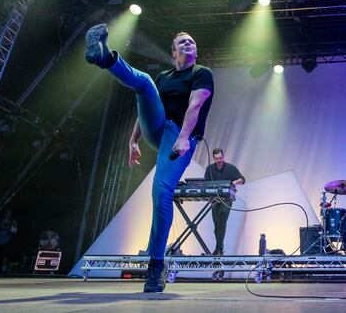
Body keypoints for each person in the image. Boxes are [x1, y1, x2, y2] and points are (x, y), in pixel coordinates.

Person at [85, 25, 214, 292]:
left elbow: (196, 106)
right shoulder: (164, 76)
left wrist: (183, 137)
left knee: (161, 191)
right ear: (173, 52)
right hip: (157, 129)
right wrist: (134, 139)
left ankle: (156, 265)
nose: (188, 44)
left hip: (180, 136)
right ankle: (104, 56)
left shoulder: (202, 74)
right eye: (182, 42)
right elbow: (146, 108)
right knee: (144, 83)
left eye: (192, 41)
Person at [203, 148, 245, 256]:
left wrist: (234, 183)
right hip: (214, 199)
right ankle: (220, 249)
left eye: (220, 158)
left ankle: (218, 249)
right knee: (216, 223)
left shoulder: (231, 168)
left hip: (227, 199)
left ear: (223, 157)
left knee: (222, 219)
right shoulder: (210, 169)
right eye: (216, 158)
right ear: (214, 158)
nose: (219, 160)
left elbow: (242, 179)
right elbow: (205, 183)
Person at [0, 208, 18, 274]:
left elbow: (15, 230)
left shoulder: (13, 221)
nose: (8, 214)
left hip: (6, 241)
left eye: (9, 213)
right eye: (6, 213)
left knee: (5, 256)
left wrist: (8, 228)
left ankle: (3, 269)